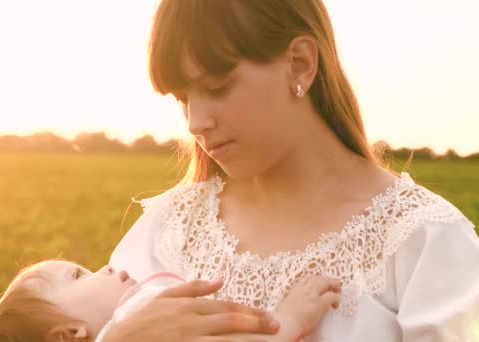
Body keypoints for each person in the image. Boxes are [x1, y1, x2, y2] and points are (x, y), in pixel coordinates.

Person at [101, 0, 479, 341]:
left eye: (217, 87)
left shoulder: (426, 242)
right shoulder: (170, 230)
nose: (195, 122)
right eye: (183, 99)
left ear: (300, 64)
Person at [0, 260, 341, 342]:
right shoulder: (137, 316)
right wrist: (287, 320)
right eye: (80, 275)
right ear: (70, 333)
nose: (106, 266)